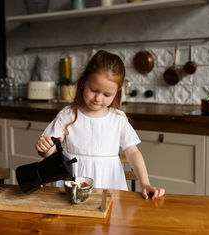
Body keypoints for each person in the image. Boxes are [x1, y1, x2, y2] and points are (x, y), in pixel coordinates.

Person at [35, 50, 165, 199]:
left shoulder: (118, 119)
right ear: (84, 81)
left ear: (117, 92)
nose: (98, 98)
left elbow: (132, 152)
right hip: (74, 185)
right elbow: (50, 152)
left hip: (110, 186)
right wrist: (45, 148)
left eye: (107, 95)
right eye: (94, 90)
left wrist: (145, 183)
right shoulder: (68, 115)